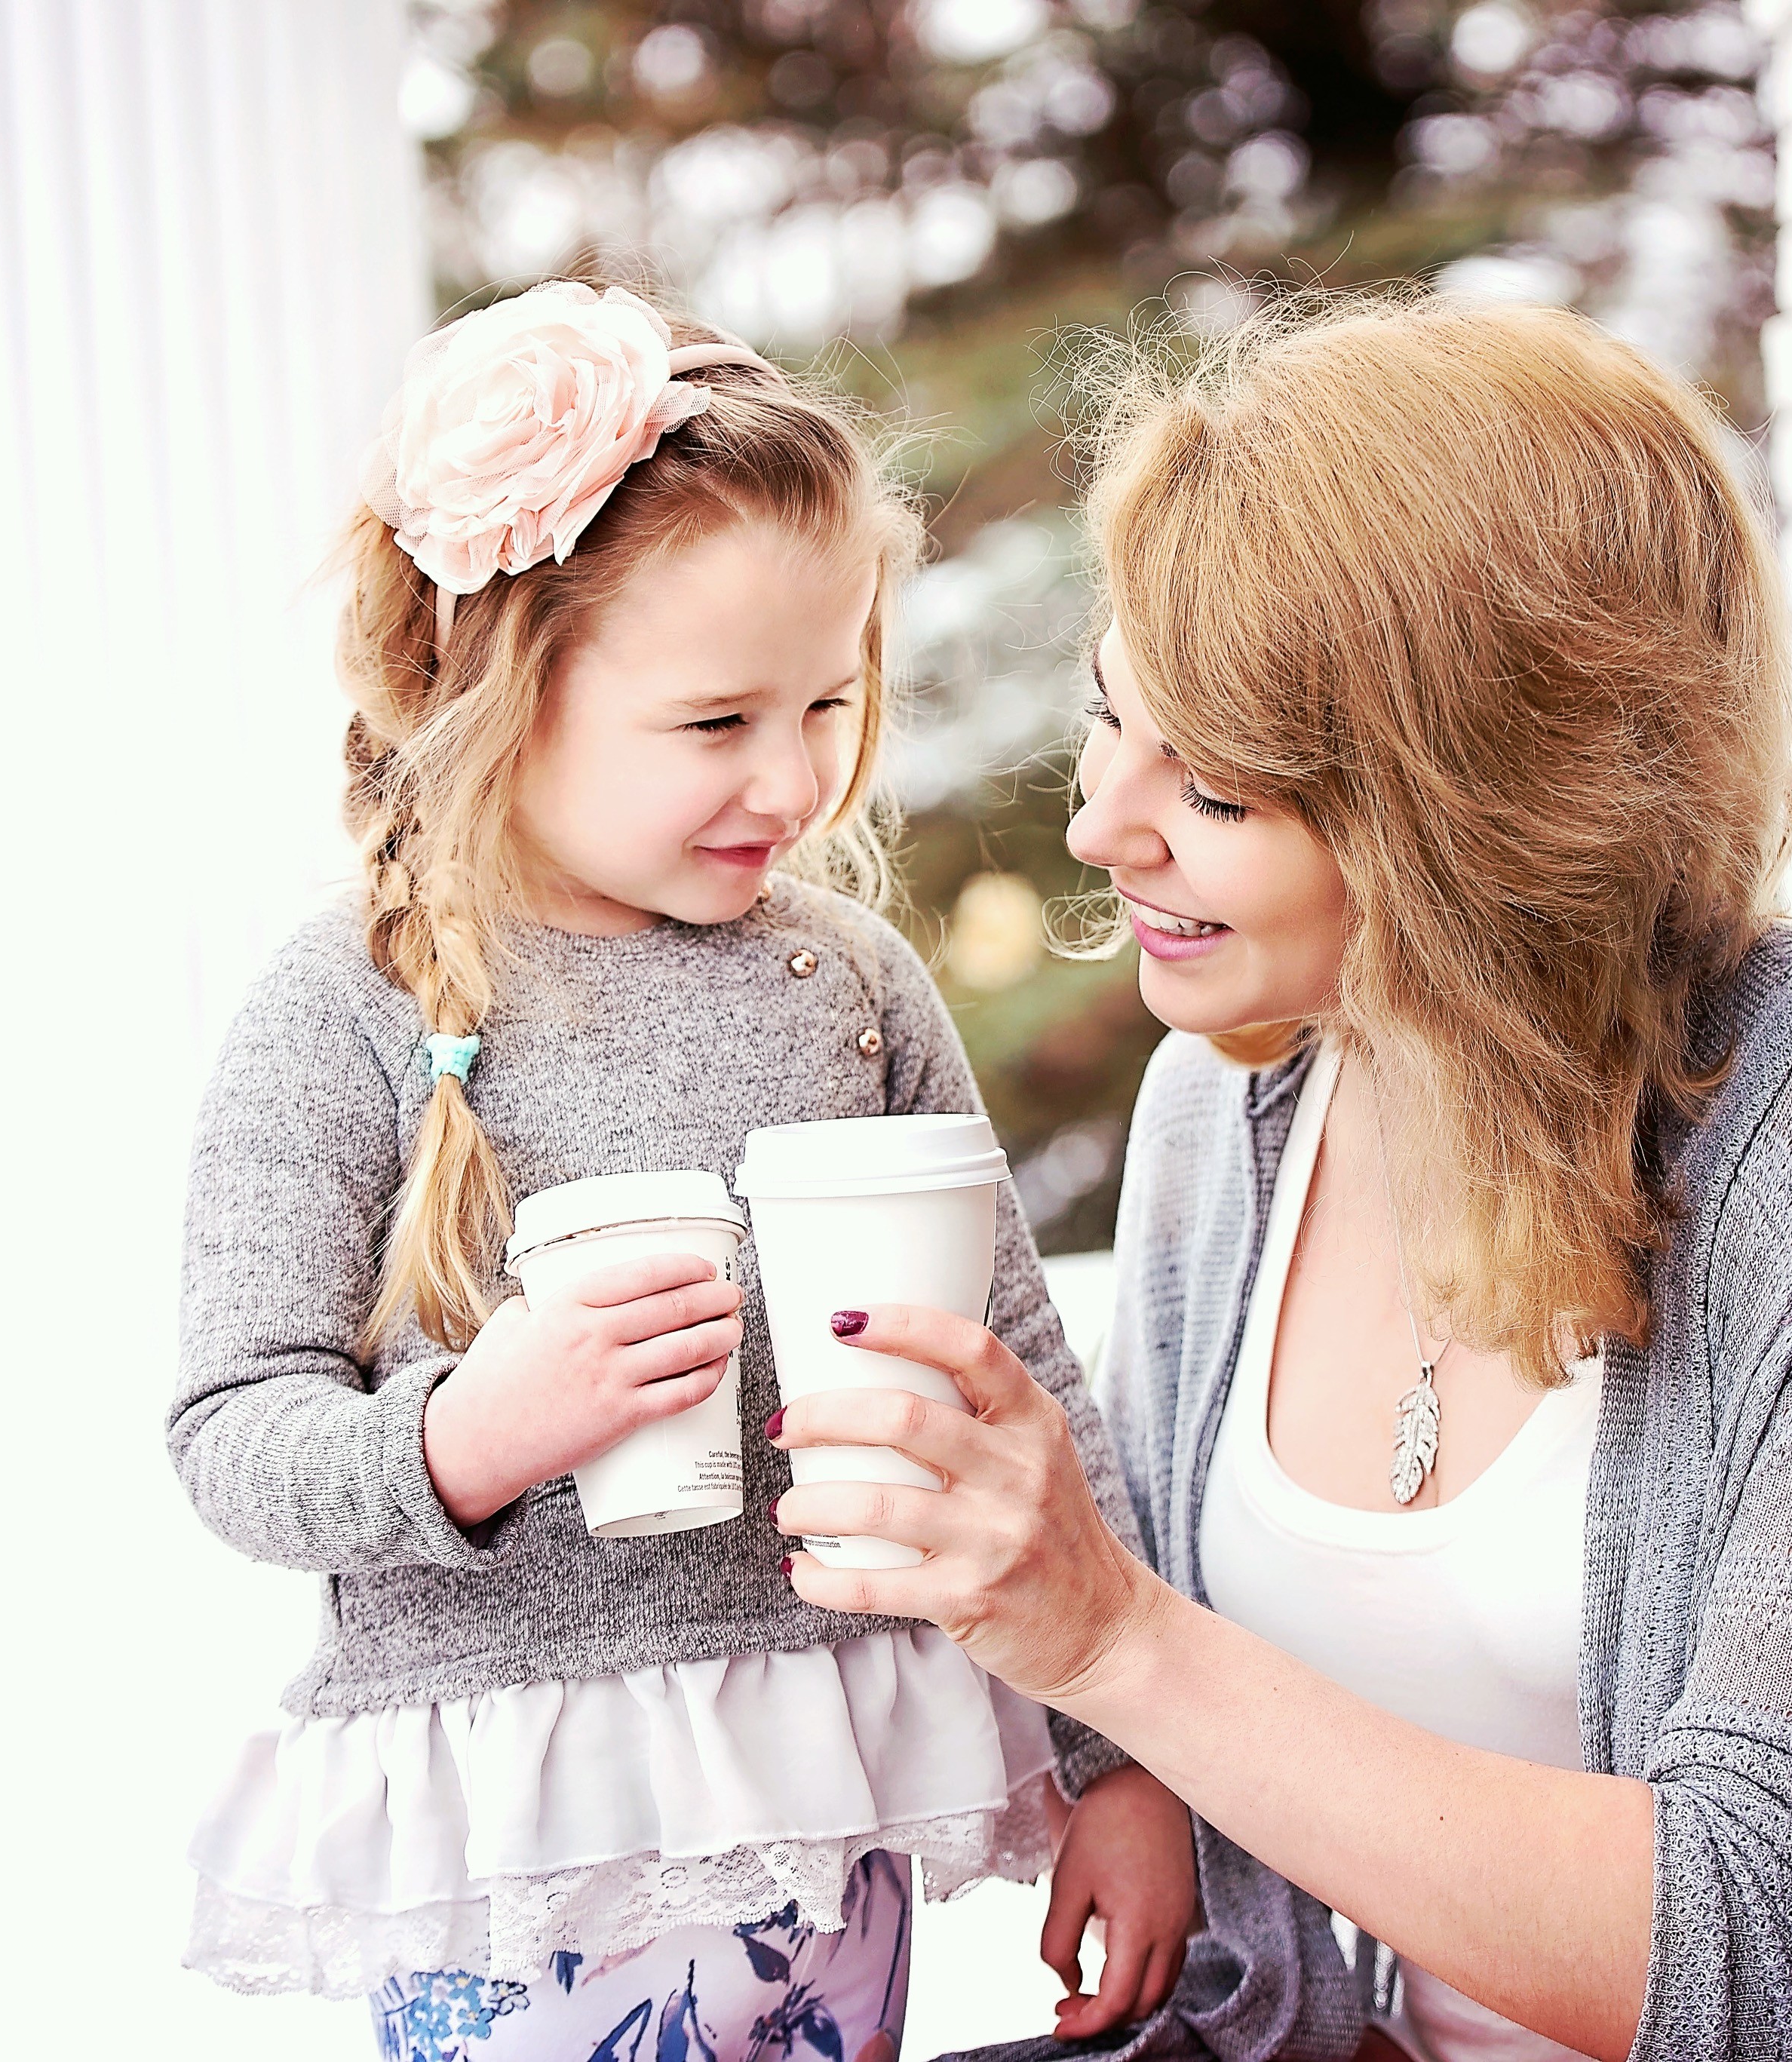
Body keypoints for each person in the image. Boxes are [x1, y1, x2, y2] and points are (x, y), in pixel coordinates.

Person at [766, 295, 1792, 2062]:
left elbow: (1758, 1968)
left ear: (1473, 808)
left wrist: (1116, 1635)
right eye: (1111, 721)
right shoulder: (1228, 1104)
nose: (1104, 825)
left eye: (1218, 787)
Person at [164, 281, 1196, 2060]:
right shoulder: (352, 1000)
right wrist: (469, 1434)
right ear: (481, 681)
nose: (792, 778)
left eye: (825, 701)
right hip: (516, 1819)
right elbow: (230, 1436)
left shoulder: (847, 982)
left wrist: (1125, 1759)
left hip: (810, 1774)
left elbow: (1016, 1370)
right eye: (716, 722)